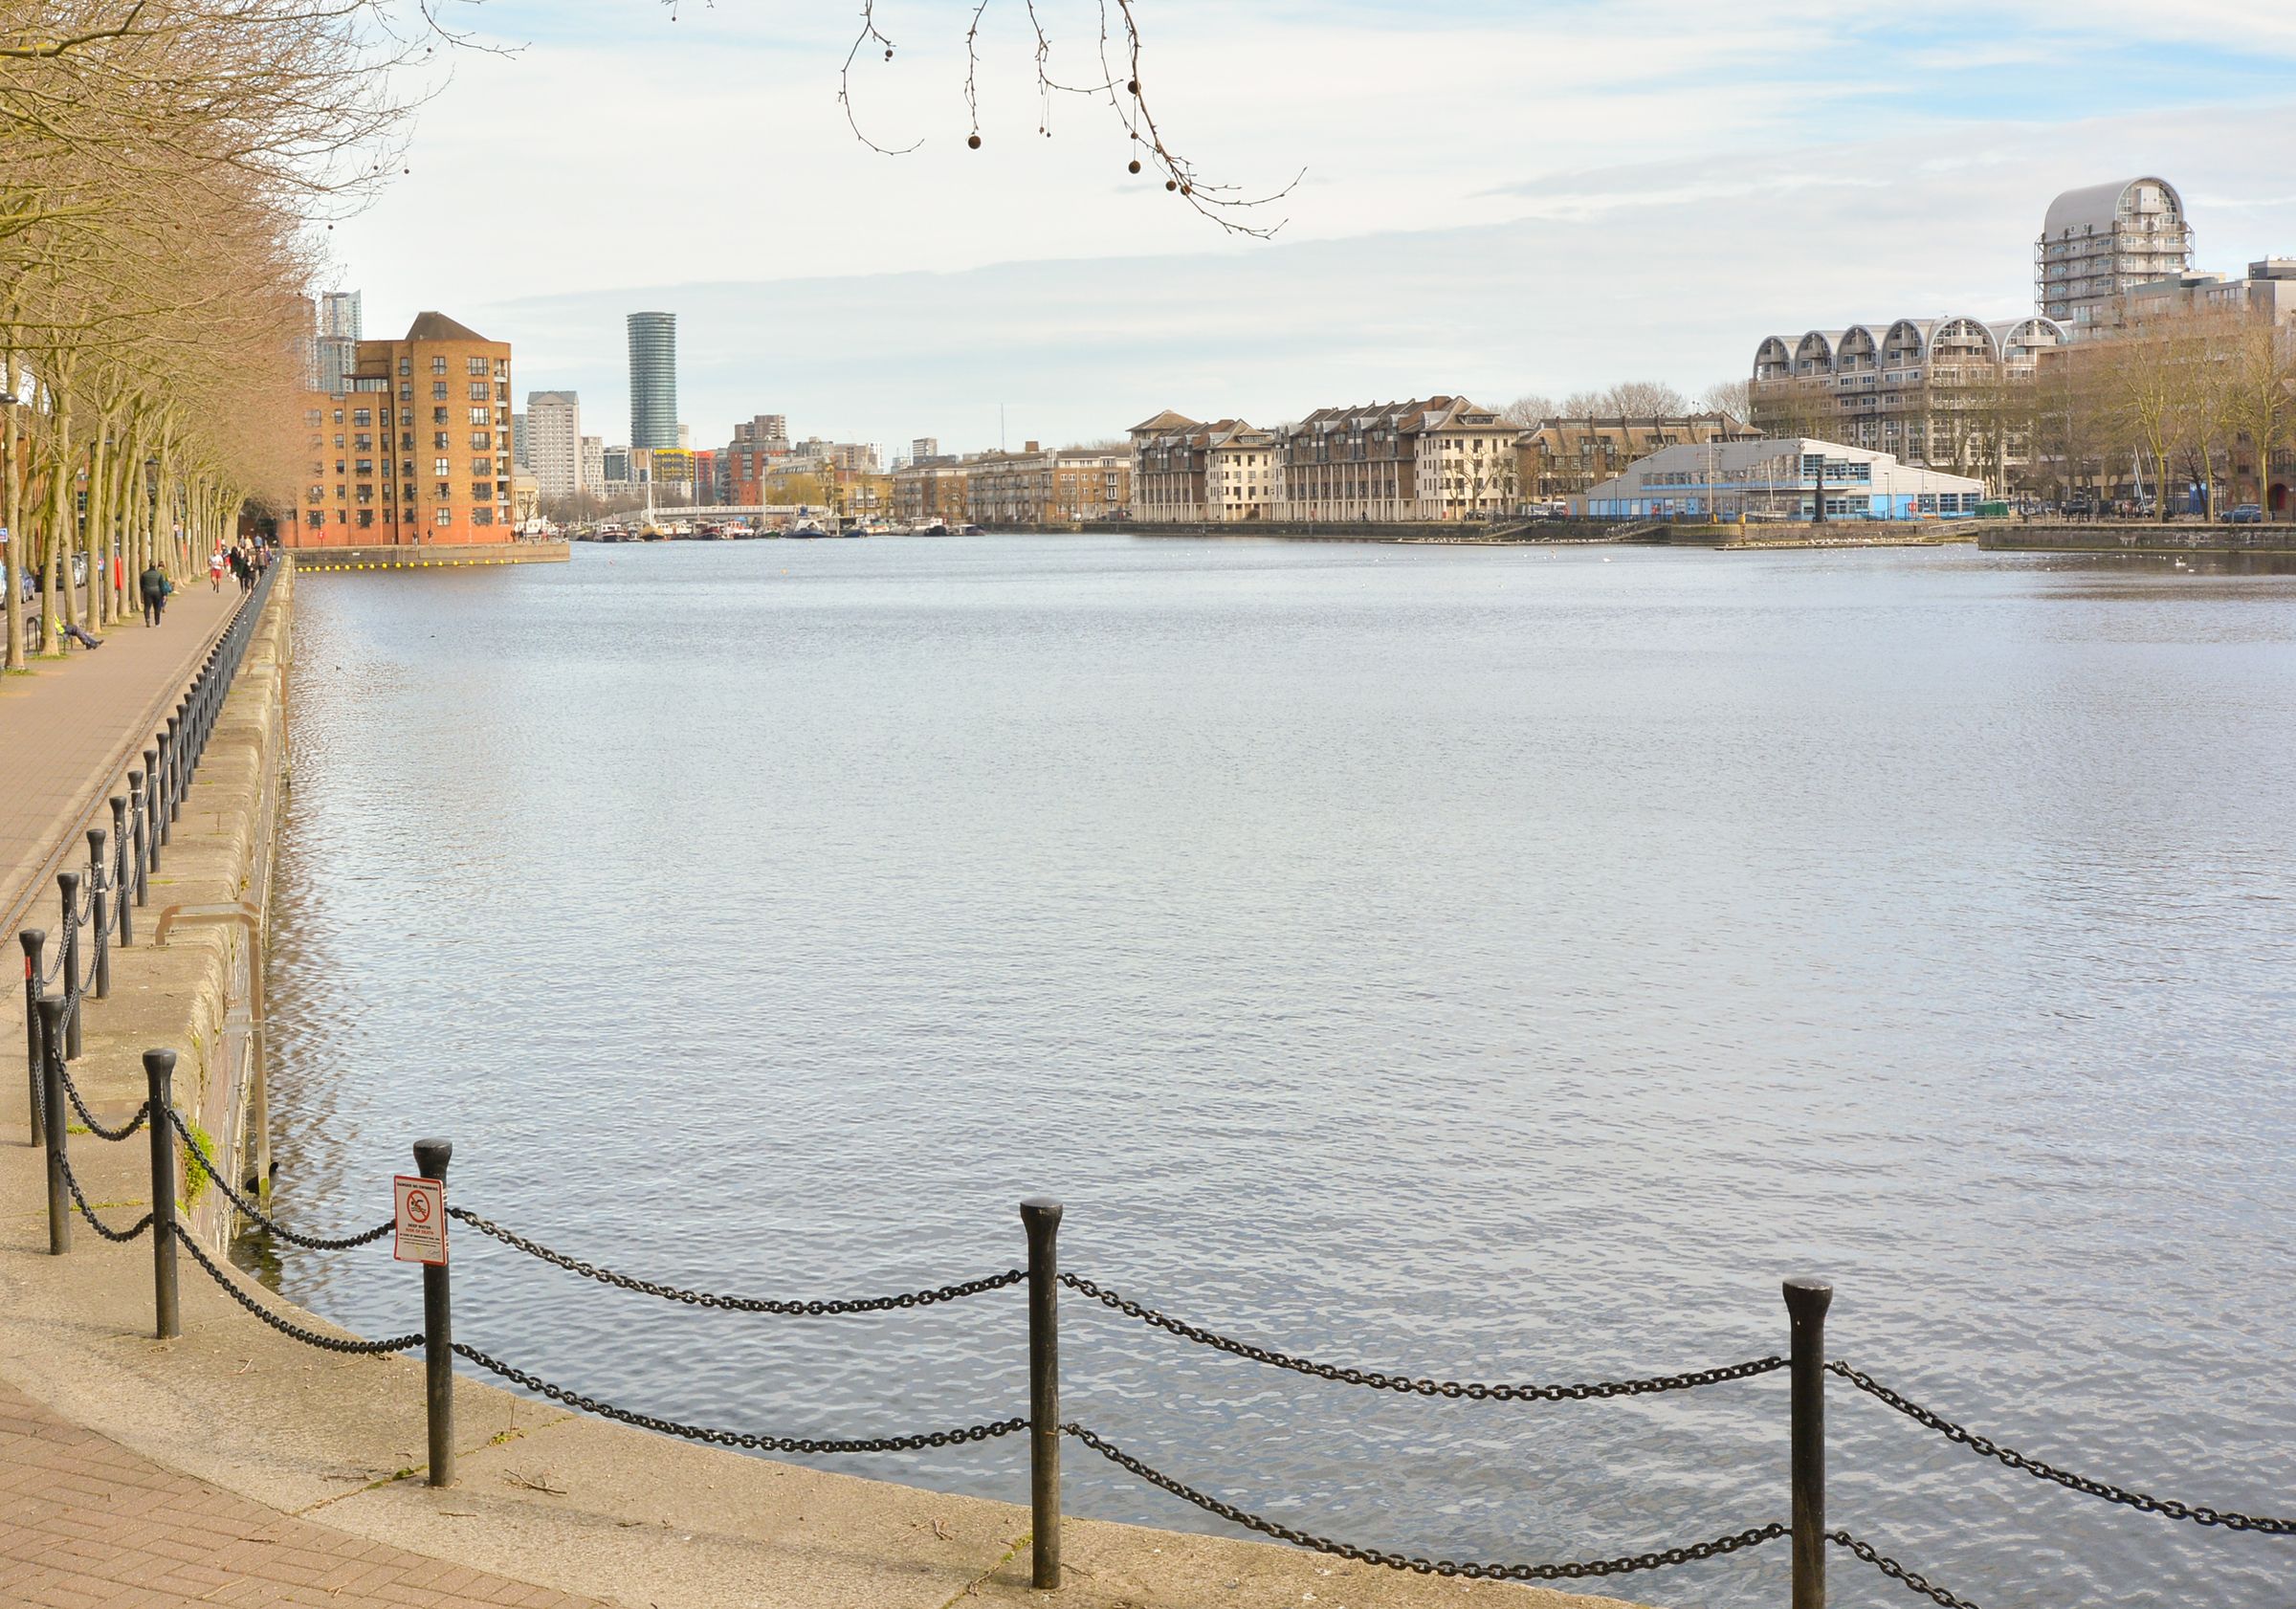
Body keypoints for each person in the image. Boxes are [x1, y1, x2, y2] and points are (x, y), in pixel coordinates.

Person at [139, 562, 166, 626]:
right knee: (157, 608)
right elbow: (161, 585)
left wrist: (143, 591)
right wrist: (164, 594)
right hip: (157, 592)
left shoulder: (144, 574)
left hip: (147, 592)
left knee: (147, 607)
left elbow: (141, 584)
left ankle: (147, 619)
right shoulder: (159, 574)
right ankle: (157, 622)